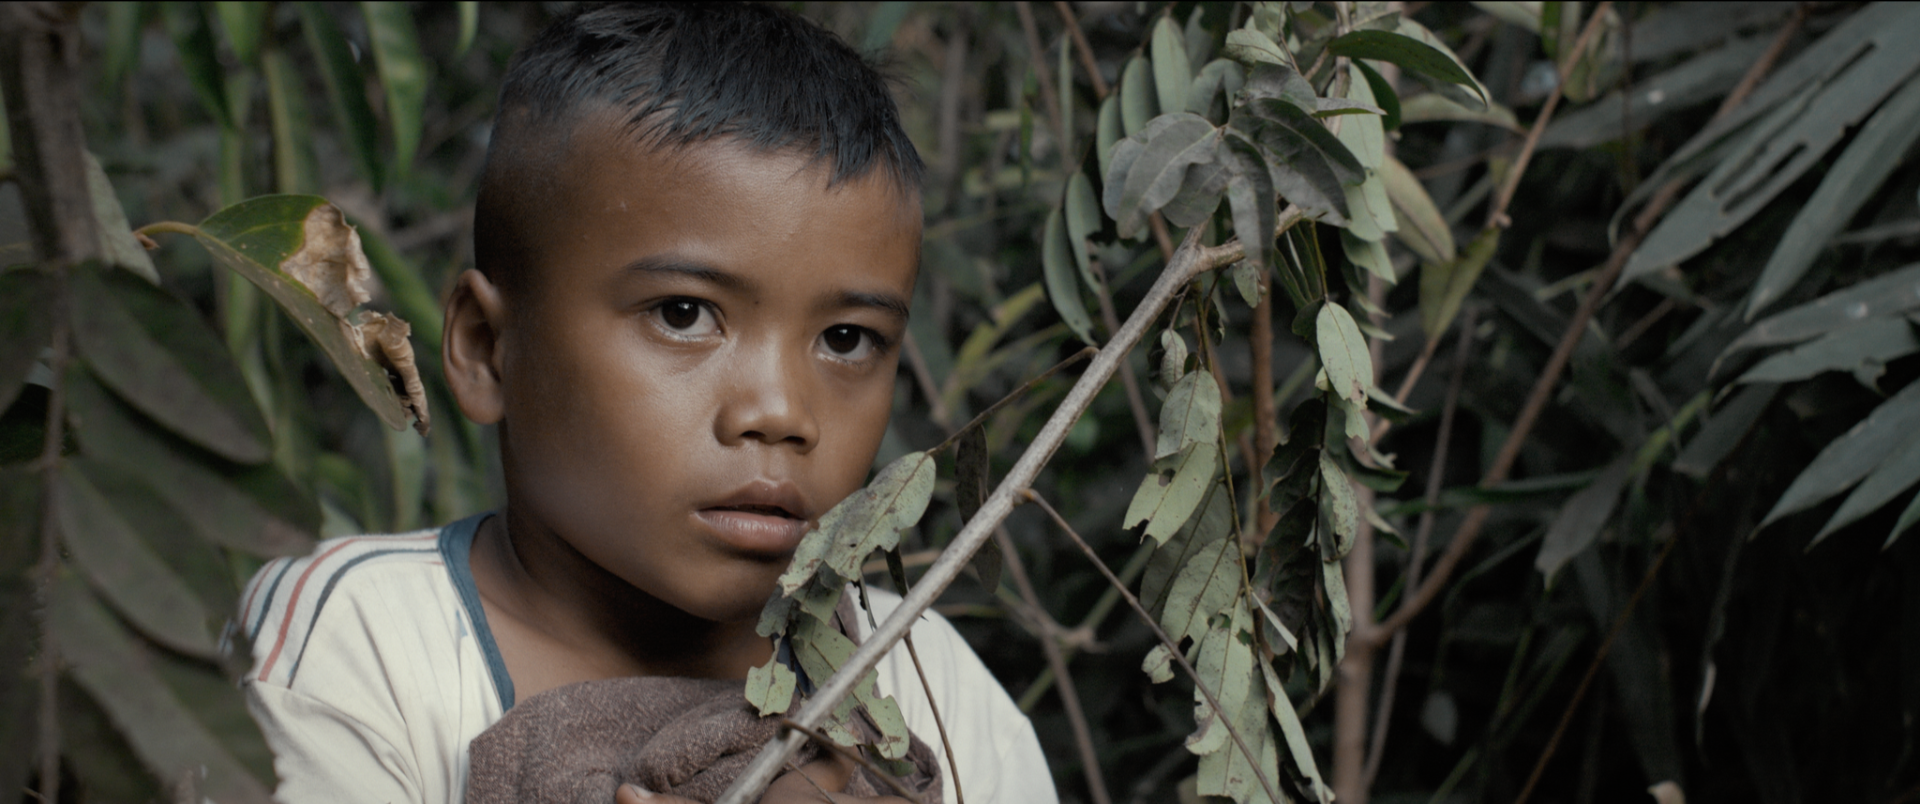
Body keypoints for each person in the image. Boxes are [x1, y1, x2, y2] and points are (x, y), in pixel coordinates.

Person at [236, 4, 1058, 802]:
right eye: (683, 314)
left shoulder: (923, 679)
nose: (779, 412)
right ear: (488, 348)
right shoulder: (362, 649)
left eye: (846, 339)